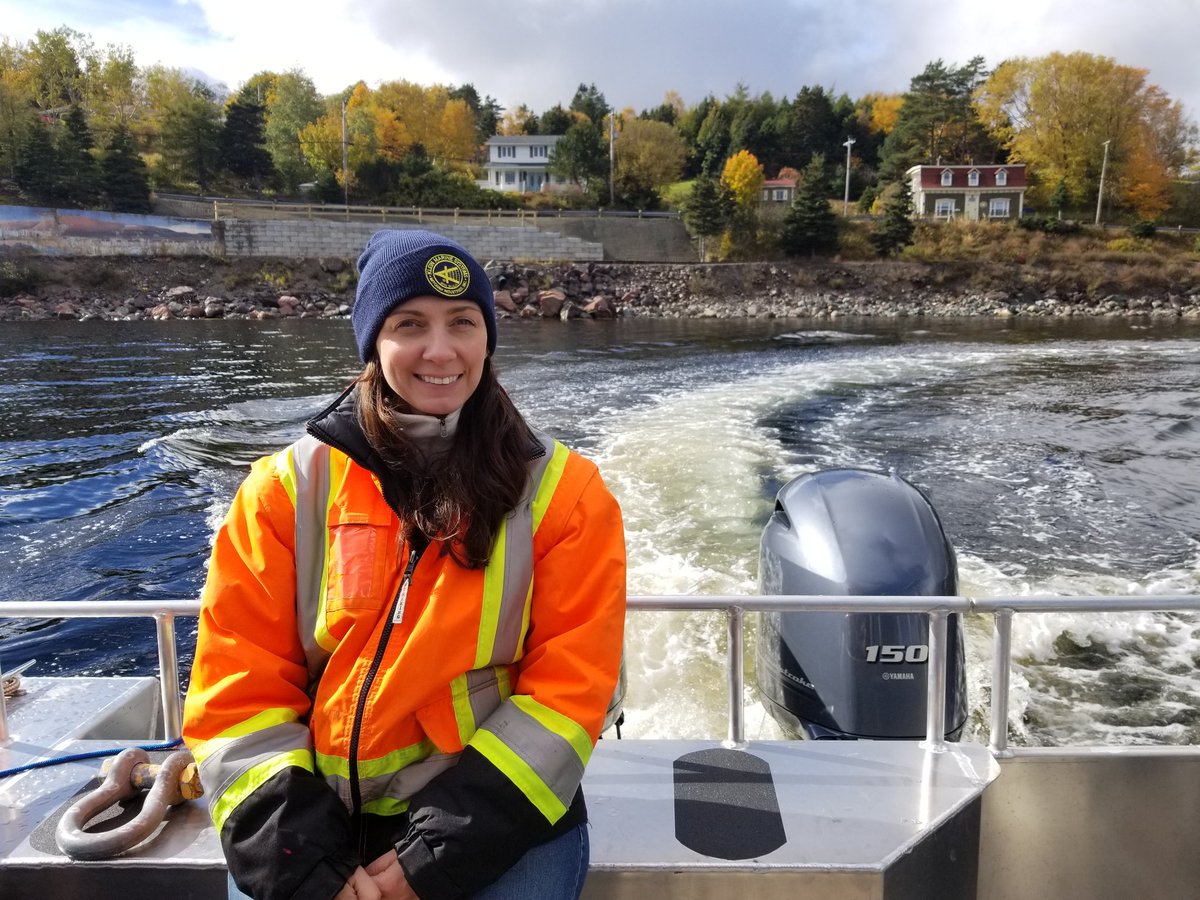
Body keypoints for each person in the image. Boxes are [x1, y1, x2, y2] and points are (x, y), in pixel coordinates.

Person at [182, 229, 627, 900]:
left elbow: (572, 689)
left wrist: (438, 855)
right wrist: (299, 860)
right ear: (372, 343)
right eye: (410, 324)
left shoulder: (567, 495)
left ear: (488, 340)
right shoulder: (284, 490)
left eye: (463, 323)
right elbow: (236, 688)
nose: (440, 350)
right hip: (308, 820)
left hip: (496, 818)